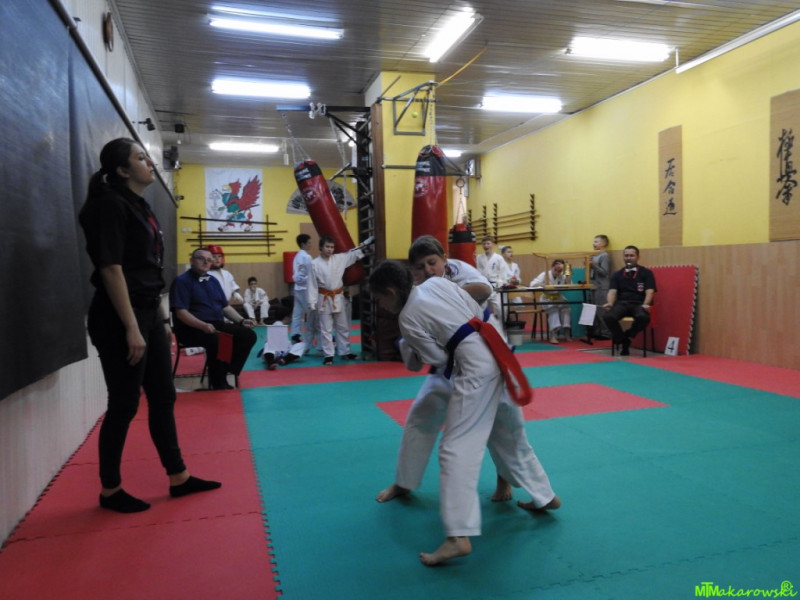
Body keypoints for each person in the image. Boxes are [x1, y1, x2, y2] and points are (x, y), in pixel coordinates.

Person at [370, 260, 559, 566]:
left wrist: (423, 345)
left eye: (380, 299)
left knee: (455, 448)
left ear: (391, 292)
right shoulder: (435, 283)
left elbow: (437, 358)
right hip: (494, 350)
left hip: (474, 370)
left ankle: (458, 537)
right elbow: (472, 306)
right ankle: (546, 496)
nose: (381, 306)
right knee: (508, 431)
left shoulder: (407, 317)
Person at [79, 138, 221, 513]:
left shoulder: (139, 205)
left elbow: (147, 270)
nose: (149, 163)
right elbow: (111, 269)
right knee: (124, 404)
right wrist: (131, 327)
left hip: (147, 313)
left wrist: (159, 318)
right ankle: (110, 490)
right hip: (118, 316)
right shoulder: (108, 205)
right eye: (141, 158)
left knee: (163, 396)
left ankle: (178, 476)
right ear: (122, 170)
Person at [376, 235, 517, 505]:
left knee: (500, 421)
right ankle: (404, 481)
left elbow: (484, 289)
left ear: (444, 258)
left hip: (484, 355)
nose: (428, 270)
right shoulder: (415, 290)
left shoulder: (456, 270)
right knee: (421, 415)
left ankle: (505, 478)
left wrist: (447, 297)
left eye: (432, 262)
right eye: (419, 267)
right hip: (447, 361)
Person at [170, 247, 258, 389]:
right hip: (190, 328)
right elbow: (181, 313)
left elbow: (225, 307)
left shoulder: (213, 281)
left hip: (216, 324)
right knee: (219, 339)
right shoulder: (182, 281)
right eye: (201, 259)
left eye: (209, 260)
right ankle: (219, 381)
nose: (206, 262)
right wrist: (202, 325)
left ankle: (225, 370)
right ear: (191, 261)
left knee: (247, 335)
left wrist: (241, 320)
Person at [307, 235, 371, 365]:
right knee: (326, 329)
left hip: (338, 297)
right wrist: (312, 302)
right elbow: (311, 284)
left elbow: (352, 254)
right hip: (323, 298)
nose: (330, 249)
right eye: (327, 246)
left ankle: (345, 351)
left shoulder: (339, 259)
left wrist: (366, 243)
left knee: (343, 326)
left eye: (332, 247)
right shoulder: (314, 264)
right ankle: (328, 355)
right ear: (321, 247)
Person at [601, 245, 657, 356]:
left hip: (639, 304)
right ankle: (623, 340)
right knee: (608, 317)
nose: (629, 258)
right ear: (623, 257)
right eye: (626, 255)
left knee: (644, 317)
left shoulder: (646, 273)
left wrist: (646, 304)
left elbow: (650, 291)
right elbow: (612, 292)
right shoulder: (617, 274)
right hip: (622, 303)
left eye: (632, 255)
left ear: (637, 257)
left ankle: (628, 335)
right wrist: (610, 303)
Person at [530, 259, 572, 344]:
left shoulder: (563, 275)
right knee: (554, 308)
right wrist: (544, 285)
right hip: (547, 298)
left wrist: (566, 270)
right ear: (552, 267)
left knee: (566, 308)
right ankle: (553, 334)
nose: (557, 272)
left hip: (558, 297)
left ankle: (567, 332)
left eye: (559, 271)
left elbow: (570, 284)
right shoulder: (545, 274)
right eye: (555, 270)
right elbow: (532, 284)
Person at [289, 234, 316, 343]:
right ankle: (309, 339)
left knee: (297, 314)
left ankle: (295, 336)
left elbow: (296, 275)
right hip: (306, 289)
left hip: (298, 288)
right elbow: (311, 274)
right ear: (303, 244)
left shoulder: (297, 257)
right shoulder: (307, 257)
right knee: (310, 315)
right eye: (309, 243)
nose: (310, 244)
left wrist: (300, 279)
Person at [206, 244, 244, 311]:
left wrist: (235, 294)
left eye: (219, 256)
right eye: (214, 256)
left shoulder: (226, 273)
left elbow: (232, 286)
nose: (217, 259)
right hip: (212, 306)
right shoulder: (206, 274)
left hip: (226, 305)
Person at [590, 234, 612, 339]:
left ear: (604, 243)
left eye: (596, 242)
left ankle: (606, 333)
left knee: (602, 311)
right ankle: (597, 332)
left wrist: (593, 265)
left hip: (602, 287)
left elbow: (604, 272)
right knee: (594, 310)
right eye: (594, 242)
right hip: (594, 286)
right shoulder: (594, 256)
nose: (593, 244)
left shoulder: (604, 256)